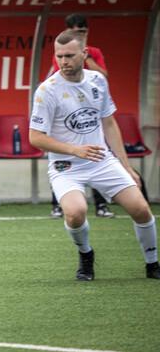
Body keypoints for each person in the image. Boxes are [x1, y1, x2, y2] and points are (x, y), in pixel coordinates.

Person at [29, 29, 159, 281]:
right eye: (59, 56)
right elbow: (35, 137)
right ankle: (86, 254)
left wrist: (126, 166)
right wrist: (74, 150)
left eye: (69, 55)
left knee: (141, 208)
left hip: (101, 161)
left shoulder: (98, 81)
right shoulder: (47, 90)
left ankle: (152, 264)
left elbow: (109, 123)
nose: (63, 61)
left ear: (84, 54)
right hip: (66, 166)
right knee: (75, 212)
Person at [48, 14, 113, 219]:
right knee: (63, 160)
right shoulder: (63, 51)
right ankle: (58, 204)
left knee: (97, 154)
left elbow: (103, 75)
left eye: (83, 31)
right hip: (67, 111)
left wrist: (87, 58)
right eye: (76, 31)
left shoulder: (93, 52)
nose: (64, 60)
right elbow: (60, 76)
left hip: (90, 111)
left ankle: (101, 205)